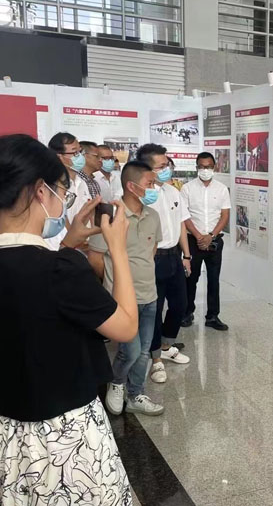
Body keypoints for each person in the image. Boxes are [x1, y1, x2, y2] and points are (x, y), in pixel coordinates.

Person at [0, 134, 143, 506]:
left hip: (7, 435)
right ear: (40, 191)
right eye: (62, 189)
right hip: (66, 439)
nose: (64, 198)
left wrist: (68, 243)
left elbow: (35, 295)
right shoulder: (62, 270)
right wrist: (117, 249)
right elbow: (125, 326)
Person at [89, 162, 165, 417]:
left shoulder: (153, 215)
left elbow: (151, 250)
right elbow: (95, 258)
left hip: (150, 295)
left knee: (143, 351)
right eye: (149, 184)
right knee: (129, 351)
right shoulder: (110, 216)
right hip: (122, 300)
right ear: (131, 186)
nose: (154, 188)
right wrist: (112, 285)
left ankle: (136, 394)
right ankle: (117, 382)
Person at [136, 143, 191, 381]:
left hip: (174, 256)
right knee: (154, 310)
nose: (167, 169)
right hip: (152, 258)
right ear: (147, 169)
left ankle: (167, 346)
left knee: (180, 305)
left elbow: (181, 224)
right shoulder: (141, 196)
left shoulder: (173, 192)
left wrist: (186, 256)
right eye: (161, 166)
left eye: (167, 164)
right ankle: (155, 358)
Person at [181, 152, 231, 331]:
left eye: (208, 167)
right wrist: (198, 236)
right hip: (193, 241)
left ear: (214, 167)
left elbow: (224, 216)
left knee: (214, 279)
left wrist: (211, 235)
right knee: (191, 278)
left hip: (214, 241)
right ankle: (187, 313)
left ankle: (212, 316)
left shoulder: (222, 189)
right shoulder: (187, 188)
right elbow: (184, 216)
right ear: (196, 167)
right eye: (201, 167)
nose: (205, 170)